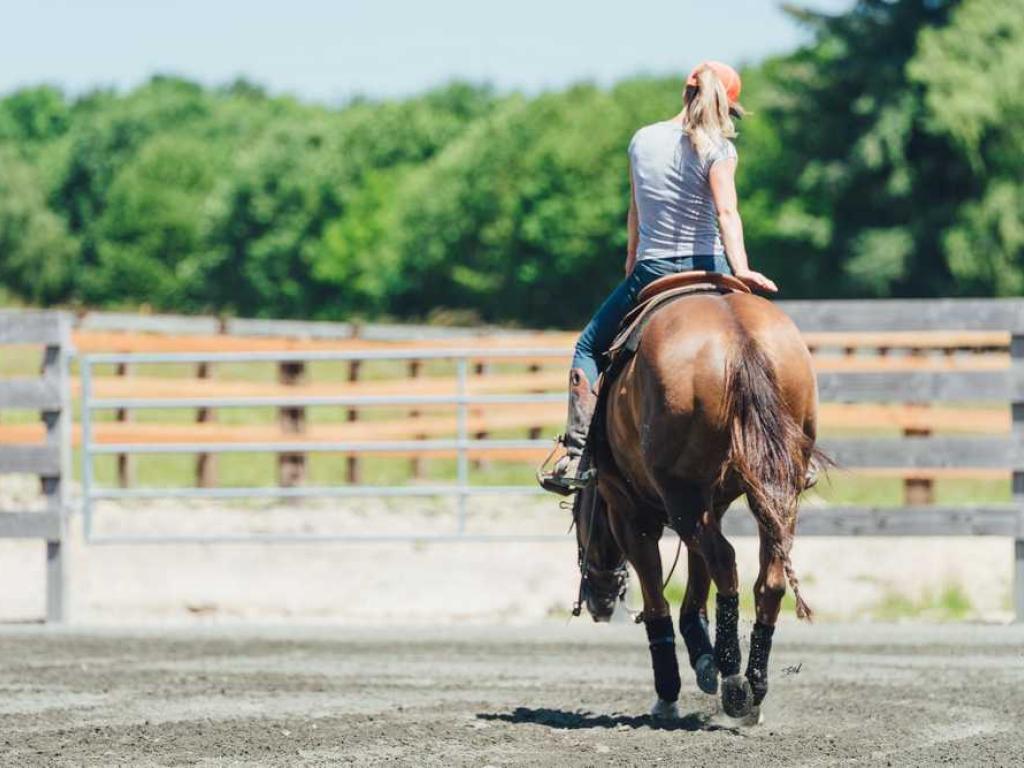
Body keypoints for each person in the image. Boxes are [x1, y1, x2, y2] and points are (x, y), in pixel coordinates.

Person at [543, 61, 778, 493]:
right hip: (711, 266)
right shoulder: (719, 148)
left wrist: (633, 260)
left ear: (686, 92)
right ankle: (783, 449)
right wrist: (740, 269)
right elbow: (727, 212)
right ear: (727, 105)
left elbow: (635, 211)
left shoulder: (643, 140)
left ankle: (576, 454)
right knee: (762, 343)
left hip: (654, 268)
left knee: (589, 346)